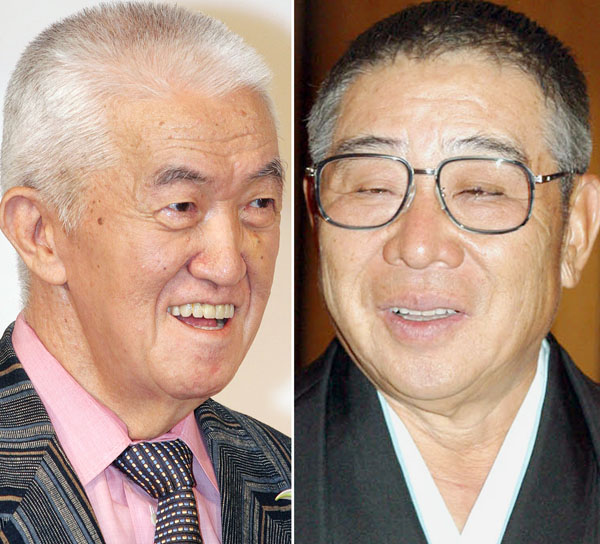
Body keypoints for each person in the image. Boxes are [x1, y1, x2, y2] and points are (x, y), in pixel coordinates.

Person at [296, 1, 600, 542]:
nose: (417, 247)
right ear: (316, 213)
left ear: (574, 231)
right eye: (372, 187)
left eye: (480, 190)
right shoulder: (222, 485)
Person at [0, 3, 290, 543]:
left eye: (258, 203)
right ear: (40, 233)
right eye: (181, 206)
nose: (228, 265)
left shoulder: (295, 481)